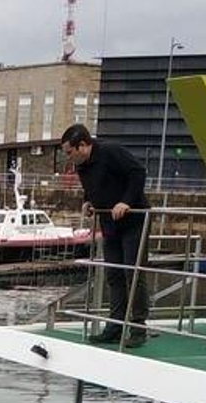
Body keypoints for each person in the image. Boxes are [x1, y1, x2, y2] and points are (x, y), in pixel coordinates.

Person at [61, 122, 149, 344]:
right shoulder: (82, 166)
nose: (69, 158)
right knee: (114, 276)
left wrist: (126, 201)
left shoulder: (110, 152)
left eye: (70, 153)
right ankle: (115, 327)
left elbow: (138, 172)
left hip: (133, 222)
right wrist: (88, 201)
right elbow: (93, 187)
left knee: (133, 274)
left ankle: (138, 329)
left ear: (82, 146)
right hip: (109, 225)